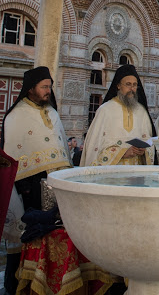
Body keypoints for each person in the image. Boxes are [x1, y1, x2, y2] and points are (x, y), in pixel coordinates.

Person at [1, 66, 72, 295]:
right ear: (31, 89)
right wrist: (25, 189)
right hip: (29, 189)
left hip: (56, 188)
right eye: (44, 87)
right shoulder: (16, 115)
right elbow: (14, 159)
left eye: (50, 86)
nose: (48, 91)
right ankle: (22, 287)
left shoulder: (52, 112)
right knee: (29, 240)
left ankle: (51, 284)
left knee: (54, 239)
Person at [81, 64, 156, 166]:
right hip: (112, 175)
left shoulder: (141, 111)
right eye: (128, 84)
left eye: (134, 85)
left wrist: (144, 151)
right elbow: (94, 148)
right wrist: (123, 153)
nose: (132, 88)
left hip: (136, 173)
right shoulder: (105, 110)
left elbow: (150, 142)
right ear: (118, 85)